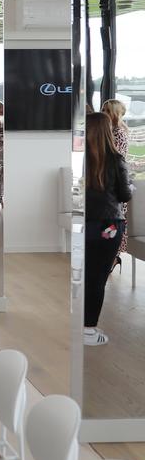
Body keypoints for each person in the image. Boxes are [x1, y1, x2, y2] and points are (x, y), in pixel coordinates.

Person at [84, 111, 132, 346]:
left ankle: (78, 325)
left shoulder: (80, 158)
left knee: (82, 275)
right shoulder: (115, 159)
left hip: (83, 224)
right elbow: (125, 194)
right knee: (97, 278)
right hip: (109, 226)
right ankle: (88, 330)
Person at [102, 98, 130, 266]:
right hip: (111, 182)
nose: (103, 113)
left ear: (114, 114)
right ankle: (109, 256)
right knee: (108, 222)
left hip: (115, 184)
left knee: (112, 222)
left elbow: (114, 159)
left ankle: (111, 256)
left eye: (107, 110)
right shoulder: (111, 131)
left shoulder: (117, 133)